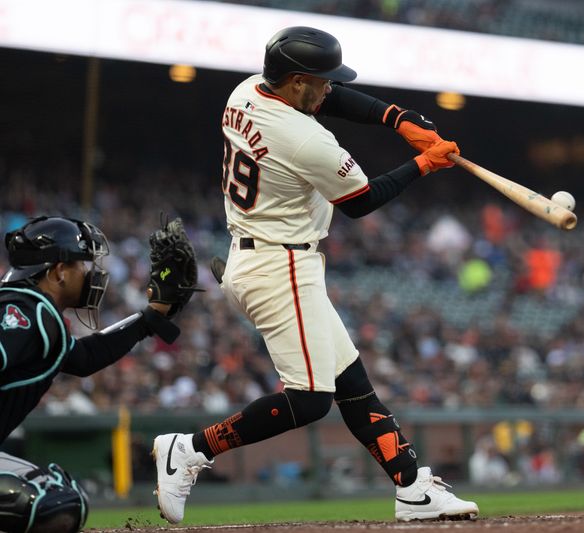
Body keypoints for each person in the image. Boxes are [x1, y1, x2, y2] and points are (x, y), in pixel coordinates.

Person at [152, 26, 478, 523]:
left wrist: (396, 117)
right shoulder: (306, 140)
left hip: (262, 254)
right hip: (278, 265)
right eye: (322, 81)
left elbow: (335, 100)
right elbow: (362, 202)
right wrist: (425, 164)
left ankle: (412, 487)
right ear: (298, 82)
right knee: (308, 401)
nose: (330, 89)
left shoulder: (246, 90)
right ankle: (190, 449)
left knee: (352, 381)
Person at [0, 216, 190, 533]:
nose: (91, 272)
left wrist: (150, 319)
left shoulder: (35, 313)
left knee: (59, 501)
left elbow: (85, 358)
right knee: (53, 504)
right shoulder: (23, 310)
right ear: (59, 270)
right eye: (84, 263)